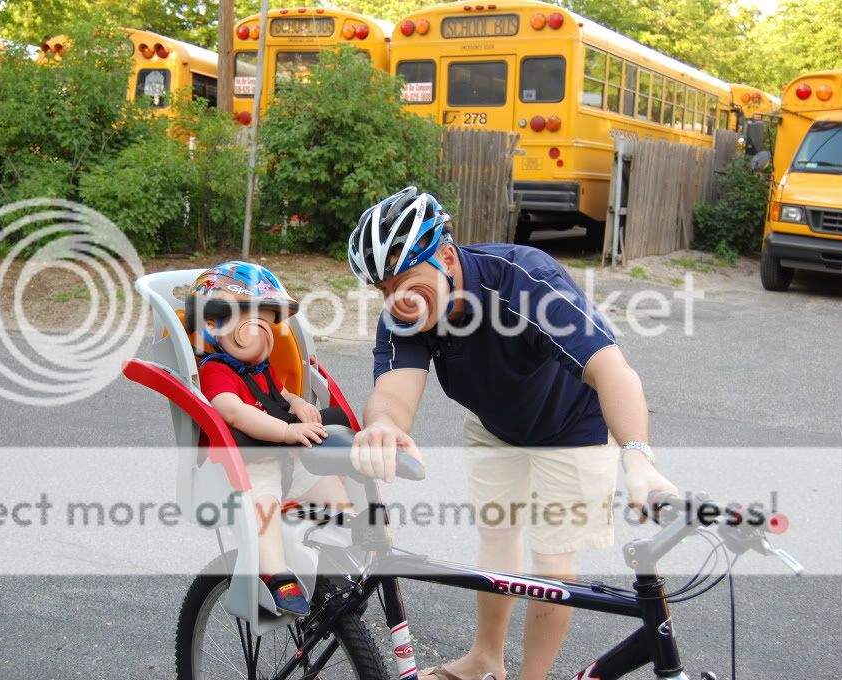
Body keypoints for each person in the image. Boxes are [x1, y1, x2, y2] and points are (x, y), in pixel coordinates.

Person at [345, 187, 678, 680]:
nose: (400, 300)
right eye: (384, 289)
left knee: (551, 563)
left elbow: (612, 369)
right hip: (495, 424)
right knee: (497, 539)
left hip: (571, 426)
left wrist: (637, 458)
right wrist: (382, 426)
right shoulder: (404, 313)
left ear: (447, 257)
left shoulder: (525, 280)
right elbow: (393, 391)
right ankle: (486, 660)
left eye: (409, 281)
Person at [186, 261, 353, 617]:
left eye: (266, 322)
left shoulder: (260, 369)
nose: (262, 333)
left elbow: (280, 394)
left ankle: (344, 545)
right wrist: (287, 430)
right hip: (248, 470)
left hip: (285, 459)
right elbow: (234, 412)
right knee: (263, 510)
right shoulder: (215, 372)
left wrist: (301, 405)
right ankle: (277, 576)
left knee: (331, 488)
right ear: (212, 325)